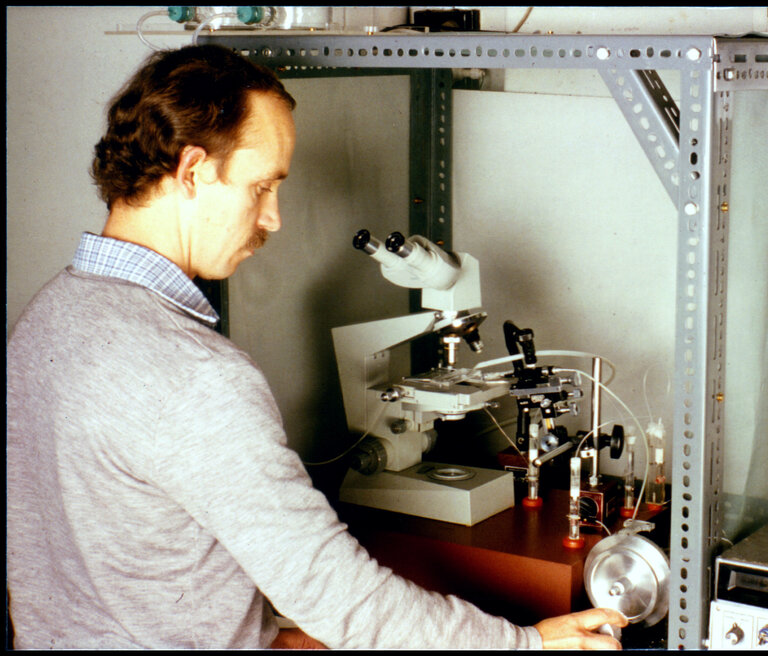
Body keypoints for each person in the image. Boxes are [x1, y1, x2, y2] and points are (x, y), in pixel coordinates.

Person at [6, 44, 627, 650]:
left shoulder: (45, 320)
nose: (273, 217)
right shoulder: (196, 375)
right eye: (262, 187)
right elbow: (341, 599)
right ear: (192, 171)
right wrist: (523, 645)